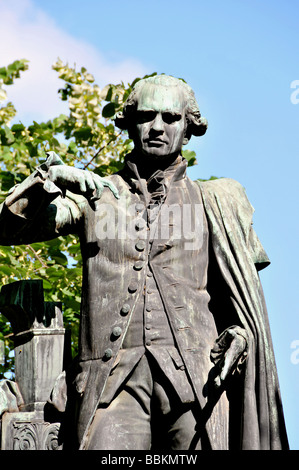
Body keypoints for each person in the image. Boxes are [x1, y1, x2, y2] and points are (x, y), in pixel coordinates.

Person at [0, 75, 288, 450]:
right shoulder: (96, 195)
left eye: (170, 117)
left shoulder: (216, 202)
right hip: (109, 384)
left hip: (197, 386)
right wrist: (50, 181)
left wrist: (241, 336)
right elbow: (10, 229)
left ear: (188, 129)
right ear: (129, 123)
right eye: (146, 116)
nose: (157, 127)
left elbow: (239, 306)